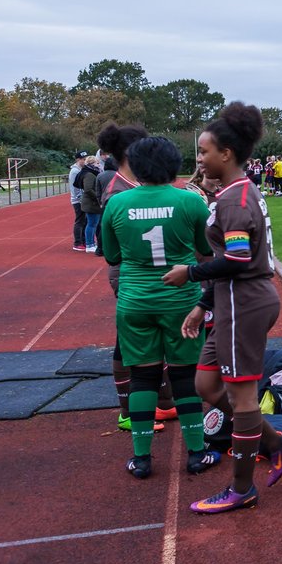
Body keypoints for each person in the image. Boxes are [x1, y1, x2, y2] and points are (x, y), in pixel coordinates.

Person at [163, 102, 282, 514]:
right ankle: (275, 443)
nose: (198, 159)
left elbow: (236, 259)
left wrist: (192, 273)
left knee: (242, 398)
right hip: (229, 301)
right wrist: (203, 305)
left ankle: (241, 488)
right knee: (206, 386)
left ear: (227, 154)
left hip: (245, 303)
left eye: (204, 152)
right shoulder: (232, 193)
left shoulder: (236, 199)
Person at [99, 136, 222, 481]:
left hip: (135, 299)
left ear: (135, 166)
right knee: (184, 375)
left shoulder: (117, 204)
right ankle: (197, 453)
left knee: (143, 377)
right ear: (173, 164)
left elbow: (112, 256)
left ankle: (142, 459)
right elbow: (203, 249)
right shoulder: (190, 201)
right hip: (181, 301)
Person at [98, 124, 176, 432]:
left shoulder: (132, 185)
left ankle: (164, 403)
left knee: (158, 335)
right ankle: (127, 410)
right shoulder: (117, 191)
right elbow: (111, 248)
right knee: (130, 339)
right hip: (131, 274)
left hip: (148, 272)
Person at [79, 155, 104, 251]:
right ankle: (89, 245)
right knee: (91, 224)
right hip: (91, 203)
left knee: (93, 223)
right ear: (91, 164)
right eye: (97, 163)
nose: (99, 165)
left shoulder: (93, 173)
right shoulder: (89, 174)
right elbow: (88, 189)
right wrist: (98, 197)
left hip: (92, 202)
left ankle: (91, 243)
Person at [69, 150, 88, 250]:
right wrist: (80, 199)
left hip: (83, 199)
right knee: (80, 221)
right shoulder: (75, 171)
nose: (85, 161)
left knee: (85, 221)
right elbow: (74, 187)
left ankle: (84, 240)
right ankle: (77, 243)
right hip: (78, 200)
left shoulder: (82, 169)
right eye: (83, 159)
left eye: (85, 159)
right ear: (78, 160)